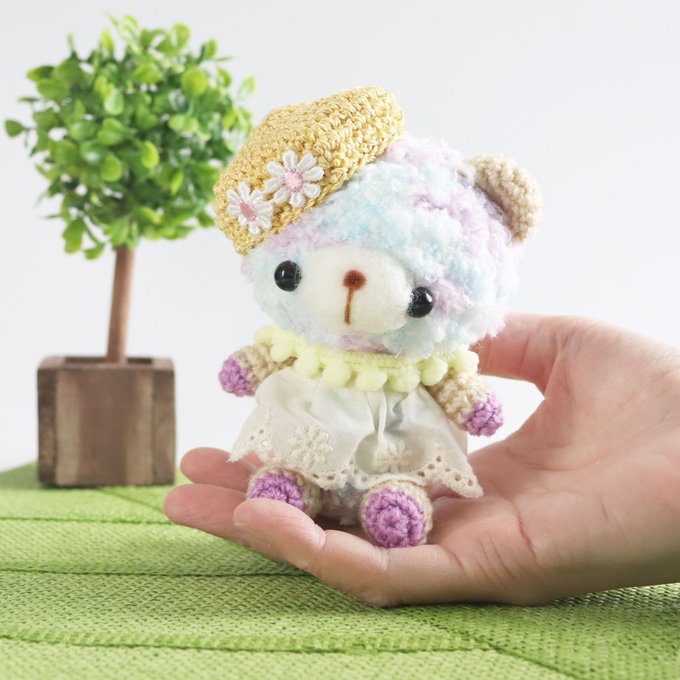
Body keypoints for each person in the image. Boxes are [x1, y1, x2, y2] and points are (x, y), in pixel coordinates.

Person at [164, 314, 680, 607]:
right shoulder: (300, 344)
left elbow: (466, 396)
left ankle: (393, 499)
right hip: (310, 449)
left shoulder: (431, 358)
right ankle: (295, 486)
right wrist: (248, 365)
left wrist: (474, 403)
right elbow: (252, 365)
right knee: (284, 479)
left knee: (399, 483)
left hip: (396, 456)